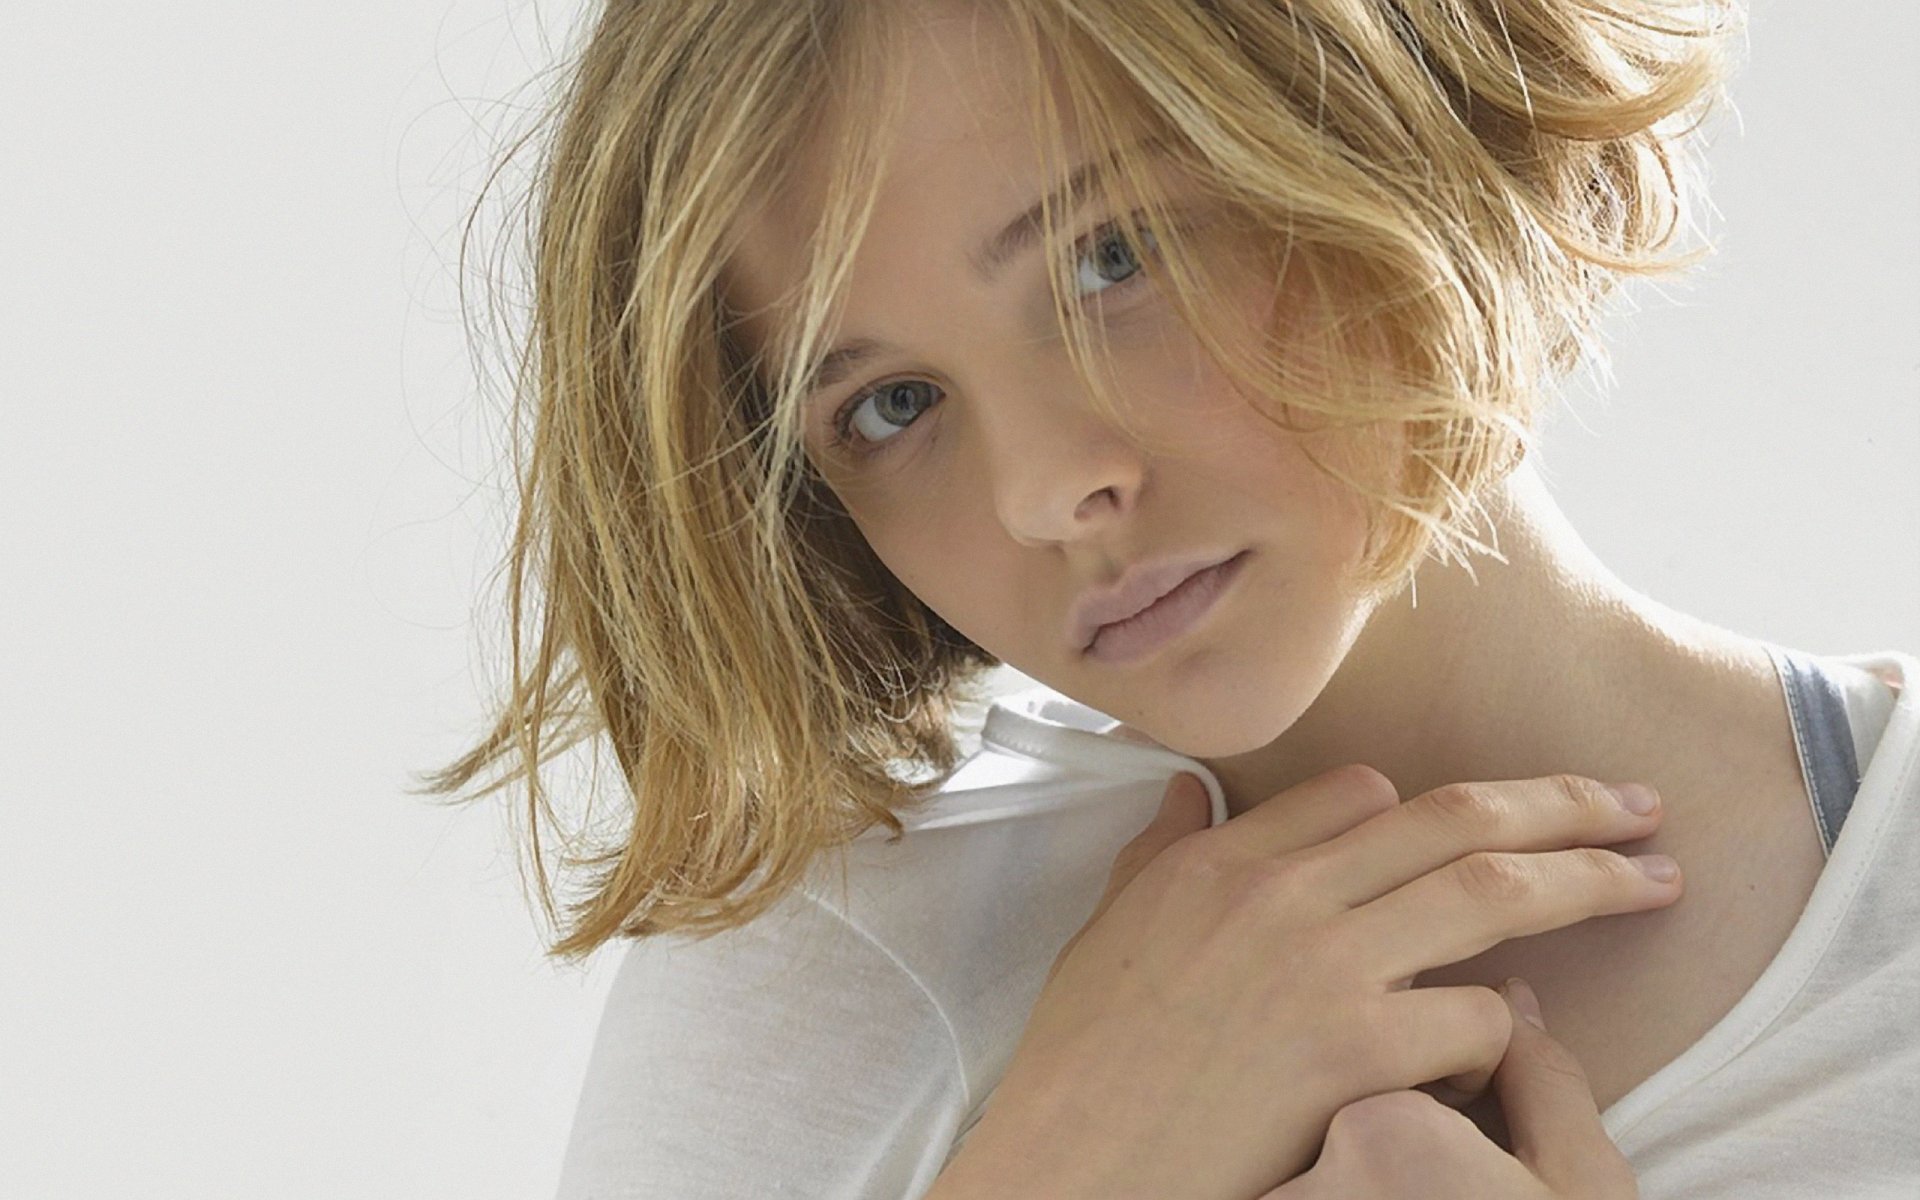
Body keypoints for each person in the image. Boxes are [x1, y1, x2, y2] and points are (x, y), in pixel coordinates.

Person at [416, 0, 1919, 1197]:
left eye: (1110, 259)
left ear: (1382, 111)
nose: (1041, 491)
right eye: (890, 406)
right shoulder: (829, 976)